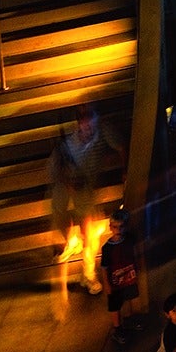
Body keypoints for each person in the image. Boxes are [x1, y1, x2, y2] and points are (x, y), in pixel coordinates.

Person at [51, 103, 124, 291]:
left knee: (89, 225)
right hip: (67, 181)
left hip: (86, 185)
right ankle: (70, 240)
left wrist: (125, 171)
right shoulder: (68, 141)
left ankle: (88, 273)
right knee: (59, 205)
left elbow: (121, 148)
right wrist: (68, 183)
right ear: (78, 124)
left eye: (90, 123)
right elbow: (57, 168)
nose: (88, 128)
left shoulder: (104, 131)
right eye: (84, 124)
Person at [100, 208, 144, 344]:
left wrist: (137, 269)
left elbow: (135, 254)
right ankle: (117, 328)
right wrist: (106, 284)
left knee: (131, 298)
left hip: (129, 276)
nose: (118, 229)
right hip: (115, 282)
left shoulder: (130, 239)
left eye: (121, 226)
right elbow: (104, 267)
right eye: (115, 227)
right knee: (115, 305)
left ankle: (130, 319)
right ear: (110, 228)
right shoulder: (107, 248)